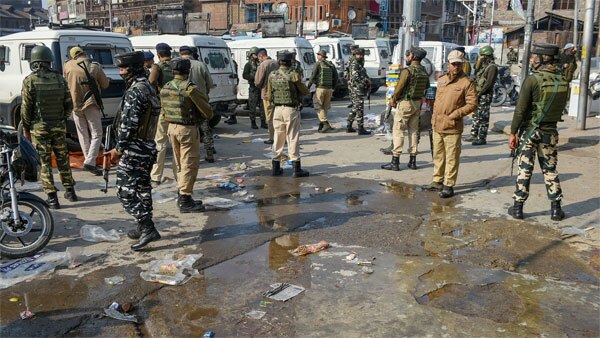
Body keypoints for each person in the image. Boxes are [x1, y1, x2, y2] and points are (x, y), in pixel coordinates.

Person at [508, 43, 569, 221]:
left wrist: (513, 132)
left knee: (524, 169)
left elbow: (520, 110)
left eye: (535, 56)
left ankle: (518, 208)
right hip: (550, 132)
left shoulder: (532, 80)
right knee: (550, 169)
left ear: (542, 59)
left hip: (530, 132)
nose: (532, 59)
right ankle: (556, 210)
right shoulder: (562, 80)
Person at [108, 51, 161, 250]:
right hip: (147, 147)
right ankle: (143, 226)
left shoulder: (134, 91)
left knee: (125, 191)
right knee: (142, 189)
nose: (120, 72)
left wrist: (118, 149)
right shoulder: (147, 86)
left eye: (122, 68)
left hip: (134, 149)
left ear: (132, 69)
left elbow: (128, 125)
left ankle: (148, 228)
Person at [21, 45, 77, 209]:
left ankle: (52, 198)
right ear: (49, 61)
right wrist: (62, 119)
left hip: (39, 128)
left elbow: (26, 109)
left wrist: (26, 129)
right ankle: (70, 191)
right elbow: (69, 104)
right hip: (58, 127)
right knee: (63, 159)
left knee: (45, 162)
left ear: (35, 62)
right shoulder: (60, 79)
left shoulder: (30, 81)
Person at [161, 58, 213, 212]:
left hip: (172, 127)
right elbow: (207, 111)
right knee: (189, 163)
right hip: (187, 129)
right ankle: (184, 198)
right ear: (188, 71)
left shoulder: (166, 87)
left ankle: (182, 193)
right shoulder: (190, 88)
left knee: (179, 163)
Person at [427, 50, 477, 198]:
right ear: (447, 64)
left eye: (459, 64)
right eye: (453, 64)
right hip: (437, 125)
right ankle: (437, 180)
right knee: (438, 155)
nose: (456, 67)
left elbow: (473, 104)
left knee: (451, 157)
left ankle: (449, 185)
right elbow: (437, 102)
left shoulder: (466, 82)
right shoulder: (441, 80)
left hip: (453, 126)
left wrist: (455, 114)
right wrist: (433, 118)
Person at [63, 46, 109, 176]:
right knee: (97, 133)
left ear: (73, 56)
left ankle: (90, 162)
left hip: (74, 105)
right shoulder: (94, 66)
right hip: (91, 103)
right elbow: (105, 84)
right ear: (84, 54)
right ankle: (90, 162)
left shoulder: (67, 66)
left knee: (82, 134)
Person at [382, 47, 430, 171]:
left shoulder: (407, 71)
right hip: (417, 103)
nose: (406, 57)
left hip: (405, 103)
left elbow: (399, 88)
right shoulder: (423, 70)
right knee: (413, 131)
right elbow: (427, 86)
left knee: (398, 130)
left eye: (408, 55)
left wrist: (393, 99)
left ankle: (395, 161)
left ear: (413, 56)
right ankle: (412, 160)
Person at [268, 51, 310, 178]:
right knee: (292, 137)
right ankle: (296, 169)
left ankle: (275, 167)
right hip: (290, 109)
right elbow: (305, 91)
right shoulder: (293, 75)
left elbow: (269, 96)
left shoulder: (272, 75)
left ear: (278, 61)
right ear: (291, 61)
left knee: (278, 137)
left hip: (277, 110)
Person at [179, 45, 216, 163]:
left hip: (183, 104)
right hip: (201, 102)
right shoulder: (200, 65)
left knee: (185, 130)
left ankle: (187, 156)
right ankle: (210, 154)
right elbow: (210, 83)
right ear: (191, 54)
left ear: (180, 54)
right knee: (205, 129)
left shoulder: (176, 65)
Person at [148, 43, 175, 187]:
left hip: (163, 107)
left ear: (158, 54)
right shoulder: (177, 64)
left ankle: (156, 176)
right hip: (178, 108)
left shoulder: (157, 67)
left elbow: (150, 82)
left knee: (160, 143)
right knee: (176, 143)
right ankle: (179, 175)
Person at [468, 45, 497, 146]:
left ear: (487, 56)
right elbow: (476, 71)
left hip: (485, 95)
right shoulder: (484, 66)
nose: (480, 57)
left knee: (483, 117)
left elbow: (488, 83)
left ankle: (482, 138)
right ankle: (474, 134)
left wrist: (480, 93)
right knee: (476, 115)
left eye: (482, 56)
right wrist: (479, 62)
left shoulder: (492, 67)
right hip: (479, 94)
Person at [307, 50, 338, 133]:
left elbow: (313, 76)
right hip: (329, 89)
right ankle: (322, 125)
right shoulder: (331, 64)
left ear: (321, 56)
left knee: (317, 106)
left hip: (320, 88)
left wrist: (308, 87)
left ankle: (325, 123)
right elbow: (336, 76)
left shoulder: (318, 64)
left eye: (318, 55)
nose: (317, 56)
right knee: (325, 107)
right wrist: (333, 87)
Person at [255, 48, 280, 145]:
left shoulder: (263, 65)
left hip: (266, 94)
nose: (259, 60)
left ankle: (272, 137)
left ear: (261, 56)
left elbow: (258, 81)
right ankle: (281, 136)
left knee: (270, 117)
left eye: (259, 58)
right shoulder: (276, 63)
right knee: (278, 117)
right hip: (278, 93)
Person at [347, 48, 371, 135]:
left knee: (355, 108)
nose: (360, 56)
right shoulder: (355, 64)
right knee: (359, 109)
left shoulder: (360, 65)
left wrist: (368, 80)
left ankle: (349, 126)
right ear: (355, 55)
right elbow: (355, 77)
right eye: (359, 55)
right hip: (356, 89)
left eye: (361, 55)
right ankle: (360, 129)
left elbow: (363, 74)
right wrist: (365, 81)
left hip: (359, 89)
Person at [243, 46, 267, 130]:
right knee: (252, 105)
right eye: (254, 54)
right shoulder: (248, 64)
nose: (256, 55)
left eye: (256, 54)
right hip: (253, 87)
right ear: (251, 55)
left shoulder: (261, 63)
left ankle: (263, 122)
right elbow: (244, 75)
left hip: (261, 87)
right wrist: (253, 77)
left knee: (262, 106)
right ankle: (253, 122)